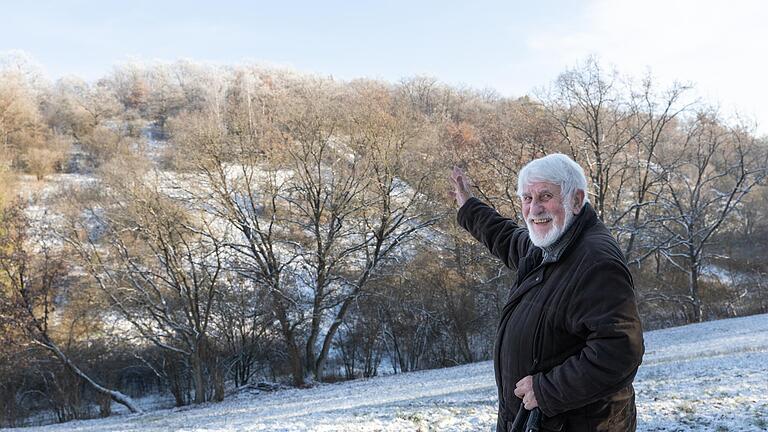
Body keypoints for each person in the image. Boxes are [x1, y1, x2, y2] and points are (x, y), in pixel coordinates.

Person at [449, 154, 644, 431]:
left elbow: (620, 351)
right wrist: (469, 208)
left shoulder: (596, 262)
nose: (534, 209)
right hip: (537, 421)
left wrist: (547, 389)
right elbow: (508, 239)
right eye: (527, 198)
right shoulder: (551, 244)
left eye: (545, 196)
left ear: (576, 200)